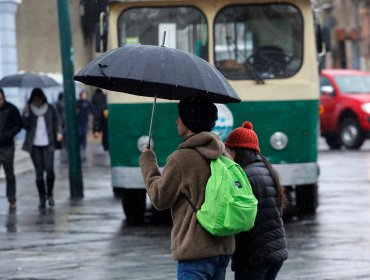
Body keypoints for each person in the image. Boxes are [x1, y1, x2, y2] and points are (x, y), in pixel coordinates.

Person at [140, 96, 234, 280]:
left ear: (189, 120)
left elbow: (159, 198)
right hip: (222, 248)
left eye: (179, 116)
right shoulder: (223, 155)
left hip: (195, 251)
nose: (176, 121)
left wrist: (148, 162)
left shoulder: (181, 159)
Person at [224, 121, 288, 280]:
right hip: (275, 252)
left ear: (236, 150)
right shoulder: (267, 170)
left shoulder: (244, 177)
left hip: (255, 256)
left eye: (228, 150)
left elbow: (240, 218)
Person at [22, 88, 62, 209]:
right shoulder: (29, 109)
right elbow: (25, 126)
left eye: (39, 99)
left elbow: (58, 121)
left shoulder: (50, 108)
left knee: (50, 171)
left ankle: (50, 194)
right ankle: (42, 198)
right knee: (39, 174)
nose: (37, 101)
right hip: (34, 146)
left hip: (48, 144)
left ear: (43, 98)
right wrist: (26, 113)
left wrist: (59, 133)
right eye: (35, 99)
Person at [0, 88, 22, 210]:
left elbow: (19, 124)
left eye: (1, 99)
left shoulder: (11, 109)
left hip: (7, 146)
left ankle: (12, 199)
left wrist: (9, 134)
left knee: (9, 174)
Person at [76, 89, 95, 159]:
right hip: (79, 121)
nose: (84, 96)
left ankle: (83, 147)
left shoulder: (88, 102)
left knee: (84, 134)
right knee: (80, 134)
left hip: (85, 121)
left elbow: (93, 110)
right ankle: (80, 145)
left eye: (85, 95)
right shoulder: (78, 102)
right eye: (83, 95)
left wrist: (94, 115)